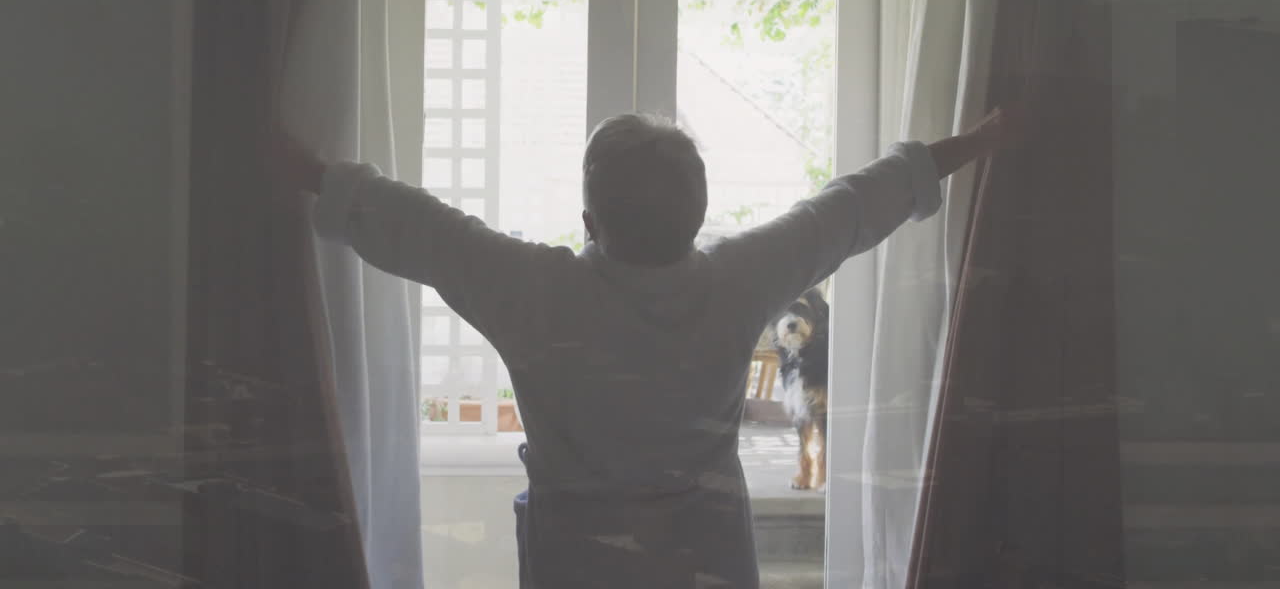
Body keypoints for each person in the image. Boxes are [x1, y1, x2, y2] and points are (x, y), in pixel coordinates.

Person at [277, 107, 1011, 588]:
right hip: (709, 566)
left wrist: (304, 168)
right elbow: (853, 207)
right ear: (698, 215)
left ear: (590, 221)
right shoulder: (742, 277)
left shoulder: (533, 290)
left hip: (577, 568)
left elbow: (416, 227)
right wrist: (977, 141)